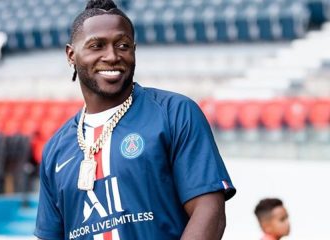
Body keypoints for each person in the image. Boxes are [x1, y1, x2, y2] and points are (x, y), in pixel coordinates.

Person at [34, 0, 236, 239]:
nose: (112, 56)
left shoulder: (175, 113)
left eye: (123, 45)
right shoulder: (56, 149)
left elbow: (209, 211)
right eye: (96, 46)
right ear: (71, 55)